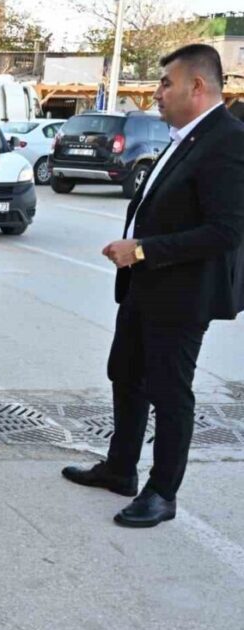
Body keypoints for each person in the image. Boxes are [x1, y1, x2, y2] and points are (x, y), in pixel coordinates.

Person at [63, 44, 244, 528]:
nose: (157, 92)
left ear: (198, 87)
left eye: (166, 83)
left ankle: (162, 493)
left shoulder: (227, 141)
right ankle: (120, 468)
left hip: (182, 293)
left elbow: (227, 230)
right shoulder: (183, 136)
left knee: (169, 391)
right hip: (145, 286)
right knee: (126, 374)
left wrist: (142, 249)